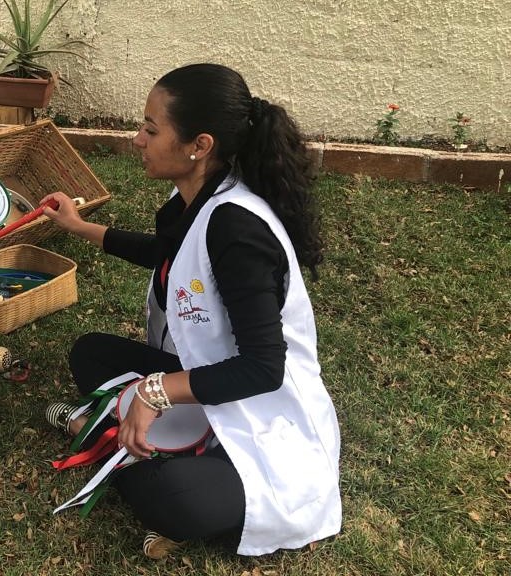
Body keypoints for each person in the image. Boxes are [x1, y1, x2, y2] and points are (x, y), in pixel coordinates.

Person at [40, 63, 341, 557]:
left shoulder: (237, 231)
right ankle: (122, 441)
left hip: (262, 414)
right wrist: (79, 228)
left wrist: (155, 391)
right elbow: (167, 252)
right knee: (90, 353)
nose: (138, 139)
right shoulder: (194, 200)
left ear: (199, 145)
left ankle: (100, 434)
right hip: (206, 380)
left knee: (176, 499)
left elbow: (264, 369)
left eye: (151, 129)